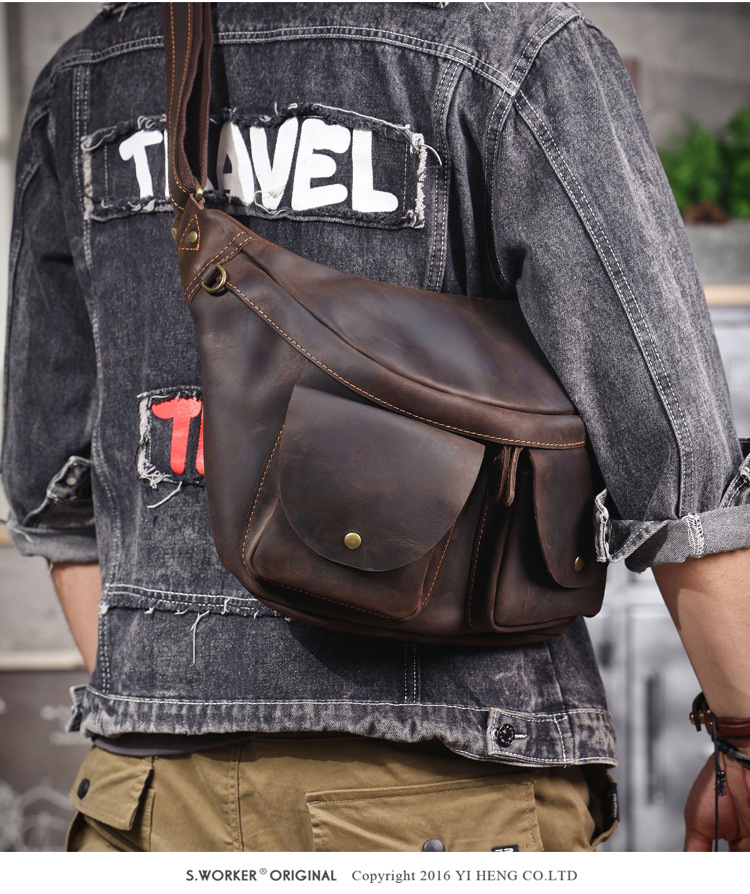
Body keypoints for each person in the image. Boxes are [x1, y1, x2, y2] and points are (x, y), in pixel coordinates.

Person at [2, 2, 749, 852]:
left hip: (139, 798)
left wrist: (160, 701)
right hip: (443, 790)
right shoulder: (515, 49)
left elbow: (51, 489)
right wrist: (742, 737)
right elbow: (678, 467)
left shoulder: (85, 77)